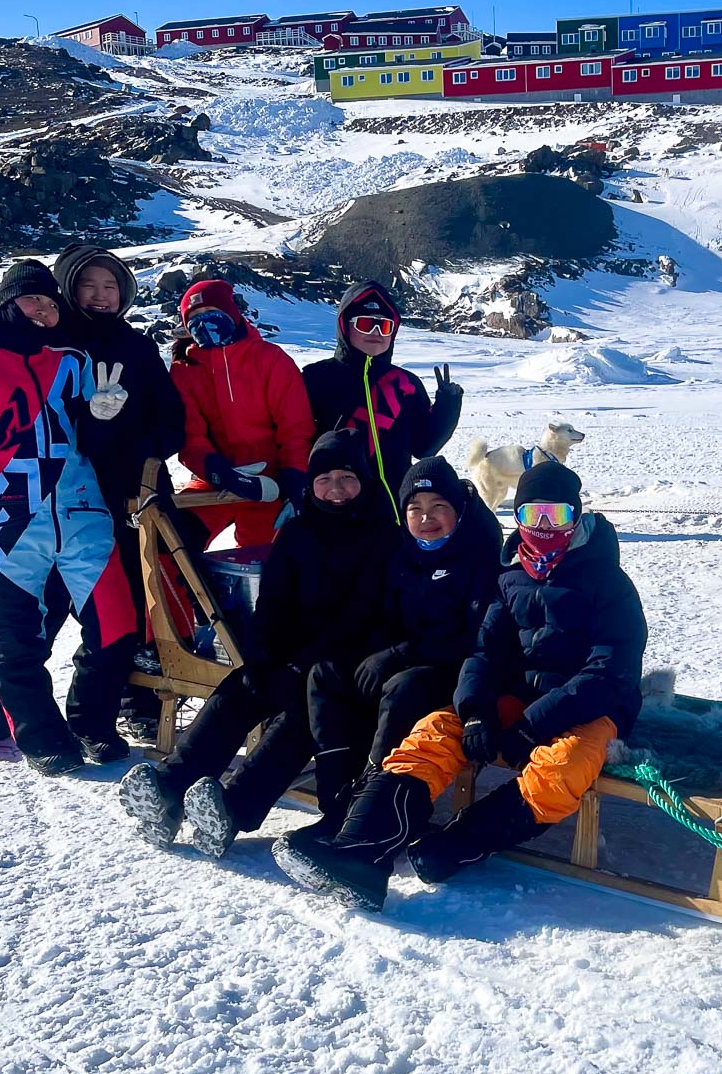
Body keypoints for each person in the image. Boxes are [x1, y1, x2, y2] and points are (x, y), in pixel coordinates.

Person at [274, 460, 646, 911]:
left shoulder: (609, 582)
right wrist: (474, 711)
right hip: (522, 697)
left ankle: (451, 846)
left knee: (562, 768)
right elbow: (485, 653)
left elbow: (609, 672)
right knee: (435, 731)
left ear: (576, 516)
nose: (544, 527)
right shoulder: (511, 577)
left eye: (557, 516)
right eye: (532, 515)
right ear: (518, 516)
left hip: (593, 709)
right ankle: (360, 850)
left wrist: (531, 724)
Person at [118, 429, 396, 856]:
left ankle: (232, 809)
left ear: (364, 482)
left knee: (303, 715)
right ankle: (170, 792)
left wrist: (304, 664)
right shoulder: (299, 532)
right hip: (293, 657)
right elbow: (273, 604)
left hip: (343, 669)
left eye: (346, 478)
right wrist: (267, 655)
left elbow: (367, 618)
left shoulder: (385, 539)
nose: (336, 490)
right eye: (325, 479)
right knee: (241, 687)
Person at [0, 261, 138, 774]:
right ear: (5, 303)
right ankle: (41, 736)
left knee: (116, 627)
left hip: (83, 515)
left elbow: (90, 438)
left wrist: (103, 416)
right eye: (32, 300)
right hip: (7, 523)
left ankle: (92, 723)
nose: (44, 310)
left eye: (50, 301)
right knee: (18, 639)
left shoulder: (71, 357)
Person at [301, 455, 503, 834]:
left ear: (457, 510)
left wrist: (396, 655)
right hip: (403, 655)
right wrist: (371, 654)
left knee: (402, 689)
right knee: (325, 674)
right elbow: (379, 612)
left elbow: (471, 636)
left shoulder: (478, 556)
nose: (426, 518)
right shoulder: (401, 552)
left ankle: (376, 808)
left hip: (451, 667)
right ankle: (336, 805)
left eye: (438, 506)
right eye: (416, 508)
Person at [52, 243, 185, 739]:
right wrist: (95, 425)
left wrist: (141, 451)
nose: (101, 295)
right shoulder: (56, 345)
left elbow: (172, 421)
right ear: (68, 287)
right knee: (62, 605)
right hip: (72, 496)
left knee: (149, 600)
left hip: (142, 492)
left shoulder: (136, 346)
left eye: (111, 285)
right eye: (89, 284)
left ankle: (140, 701)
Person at [299, 281, 463, 524]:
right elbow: (296, 439)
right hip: (331, 507)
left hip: (394, 511)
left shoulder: (405, 383)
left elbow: (424, 448)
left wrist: (447, 405)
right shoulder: (315, 377)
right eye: (366, 324)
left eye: (384, 326)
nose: (376, 332)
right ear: (345, 326)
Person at [169, 279, 314, 549]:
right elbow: (189, 435)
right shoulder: (184, 371)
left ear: (232, 314)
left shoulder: (270, 359)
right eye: (195, 318)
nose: (205, 322)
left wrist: (294, 476)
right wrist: (218, 473)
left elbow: (295, 426)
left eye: (212, 312)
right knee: (171, 542)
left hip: (271, 485)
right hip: (215, 482)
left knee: (270, 561)